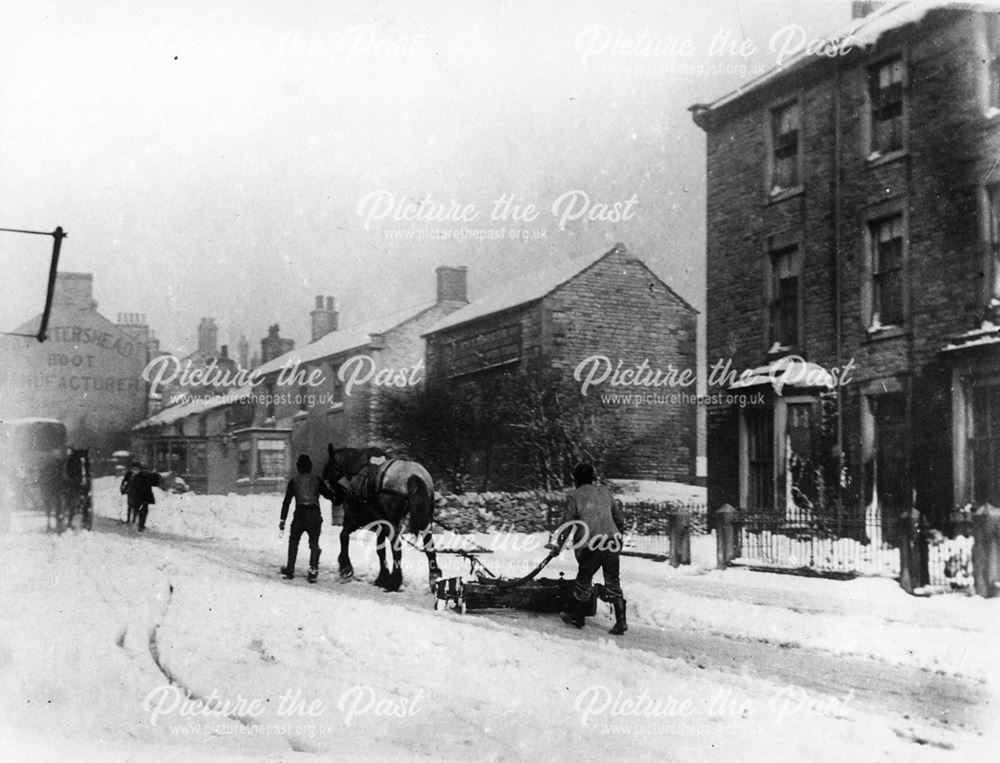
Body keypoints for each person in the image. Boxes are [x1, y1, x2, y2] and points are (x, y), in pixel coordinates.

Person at [552, 462, 628, 635]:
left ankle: (578, 617)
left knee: (584, 580)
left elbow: (567, 525)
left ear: (576, 479)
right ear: (593, 478)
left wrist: (558, 546)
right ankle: (621, 621)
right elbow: (619, 517)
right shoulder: (605, 492)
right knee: (613, 582)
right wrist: (618, 536)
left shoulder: (575, 496)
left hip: (591, 544)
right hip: (611, 541)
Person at [280, 454, 336, 583]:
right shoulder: (317, 480)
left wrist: (282, 520)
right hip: (314, 514)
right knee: (314, 543)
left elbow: (286, 502)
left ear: (298, 467)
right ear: (310, 467)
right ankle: (313, 569)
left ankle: (290, 569)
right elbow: (328, 495)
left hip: (299, 514)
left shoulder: (293, 482)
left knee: (293, 541)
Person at [127, 464, 161, 532]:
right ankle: (139, 525)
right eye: (144, 470)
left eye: (146, 470)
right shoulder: (137, 477)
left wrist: (156, 475)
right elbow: (132, 487)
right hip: (139, 497)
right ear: (141, 470)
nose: (145, 471)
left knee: (143, 512)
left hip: (144, 498)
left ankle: (140, 525)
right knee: (141, 511)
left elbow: (155, 483)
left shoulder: (147, 477)